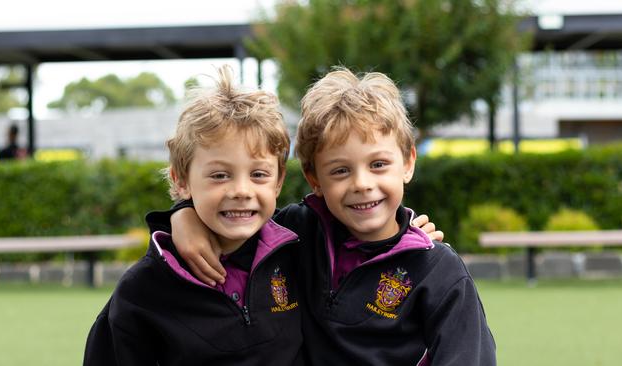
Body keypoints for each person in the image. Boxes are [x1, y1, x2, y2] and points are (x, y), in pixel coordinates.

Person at [151, 67, 495, 365]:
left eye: (378, 164)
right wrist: (183, 216)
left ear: (407, 163)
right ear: (315, 178)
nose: (362, 184)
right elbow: (232, 222)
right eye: (340, 170)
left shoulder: (439, 271)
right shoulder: (292, 235)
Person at [84, 65, 305, 365]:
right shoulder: (144, 288)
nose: (241, 190)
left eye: (258, 174)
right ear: (181, 180)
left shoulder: (299, 248)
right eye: (219, 175)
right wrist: (181, 214)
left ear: (279, 181)